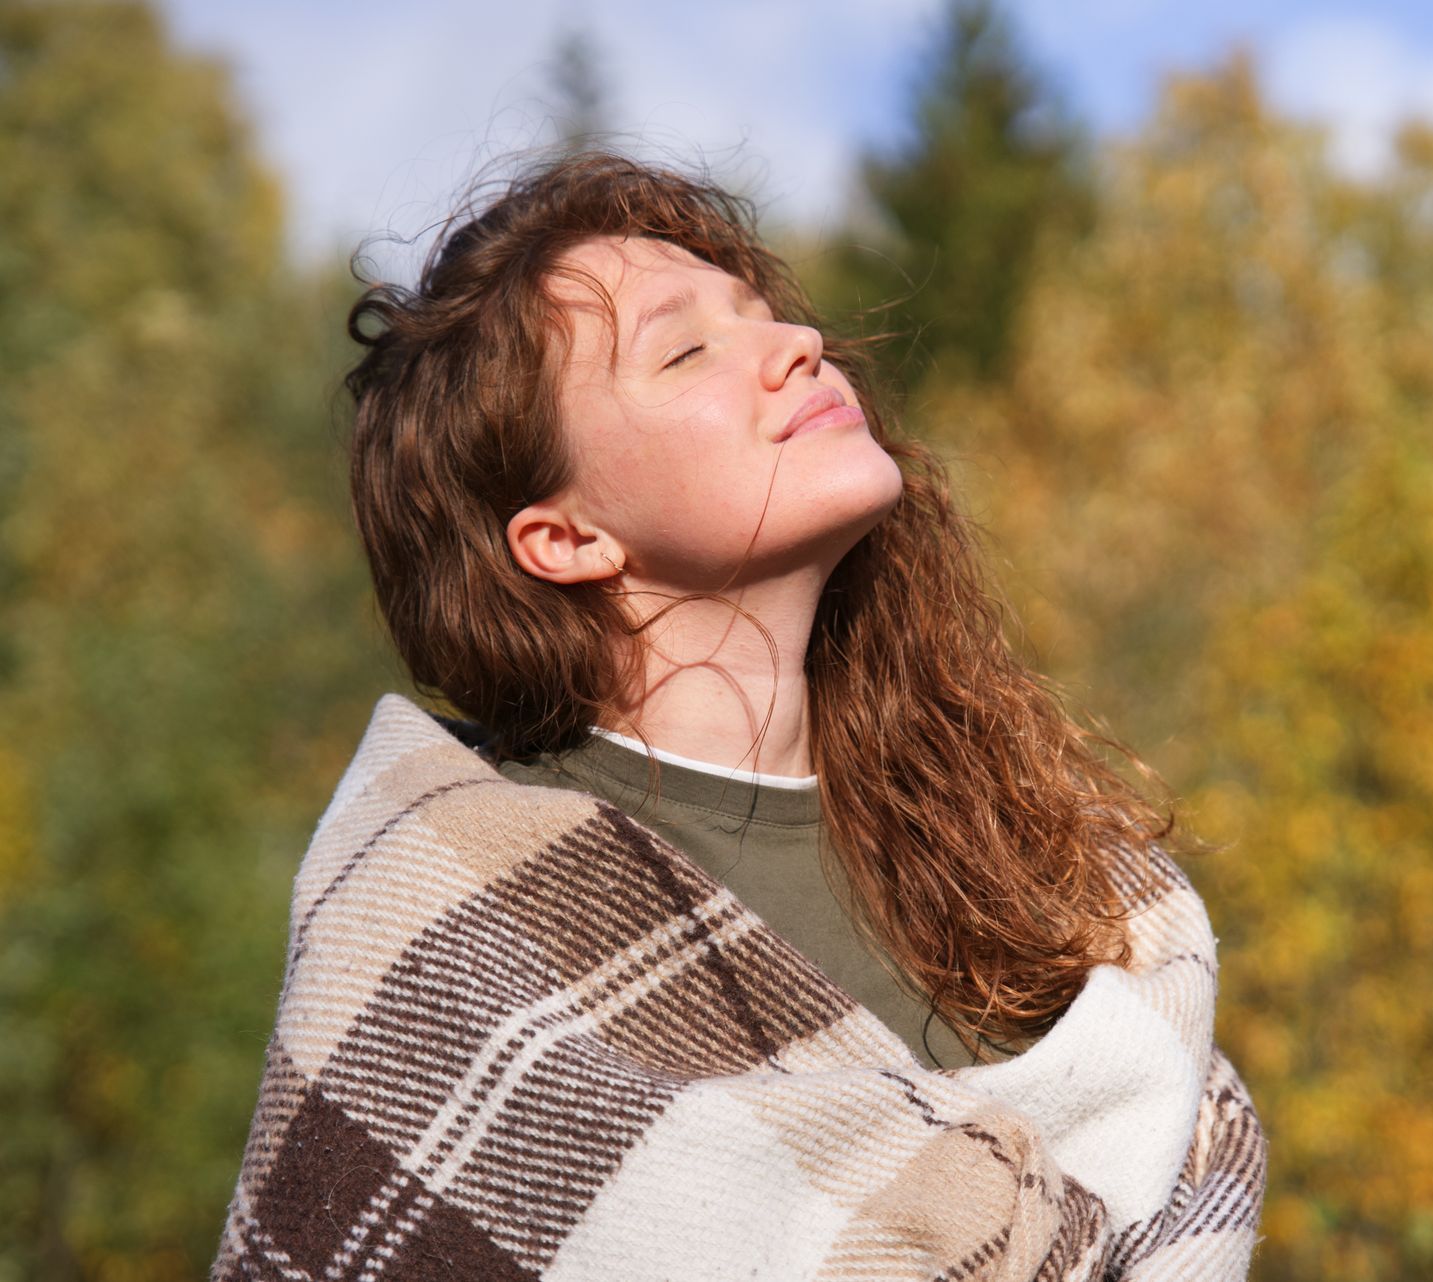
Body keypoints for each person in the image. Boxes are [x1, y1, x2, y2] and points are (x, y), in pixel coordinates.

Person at [212, 151, 1266, 1280]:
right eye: (687, 347)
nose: (795, 346)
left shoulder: (1036, 868)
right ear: (564, 538)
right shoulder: (451, 929)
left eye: (761, 314)